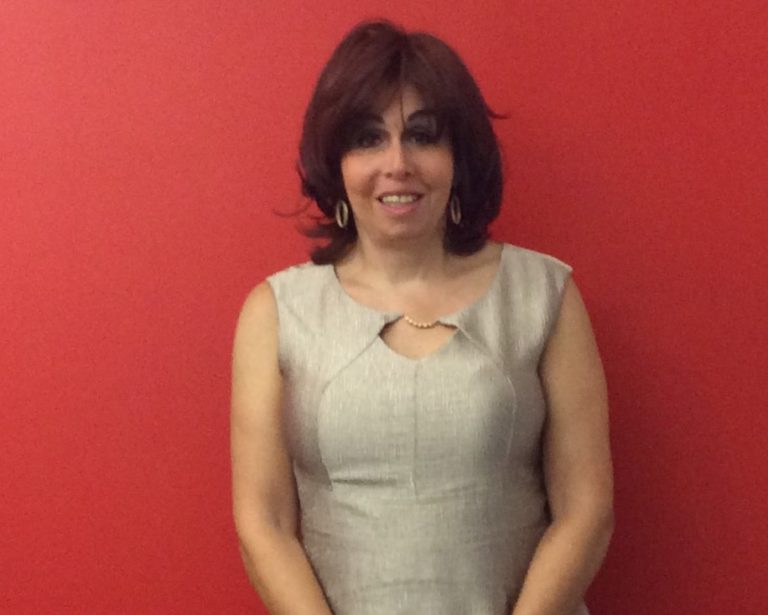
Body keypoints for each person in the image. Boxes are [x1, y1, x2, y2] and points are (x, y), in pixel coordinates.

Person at [231, 20, 613, 615]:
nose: (397, 163)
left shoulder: (542, 295)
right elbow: (265, 524)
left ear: (459, 157)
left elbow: (586, 510)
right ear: (335, 161)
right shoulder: (277, 313)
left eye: (422, 136)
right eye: (368, 138)